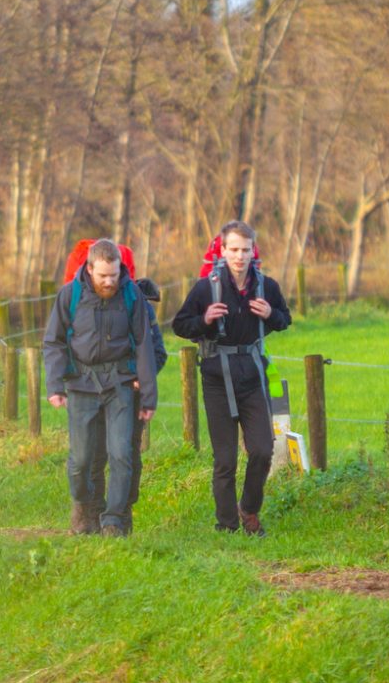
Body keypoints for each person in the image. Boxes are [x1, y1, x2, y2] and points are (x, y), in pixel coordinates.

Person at [169, 220, 293, 534]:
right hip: (216, 378)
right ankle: (227, 524)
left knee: (263, 450)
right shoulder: (205, 287)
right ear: (222, 251)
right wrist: (204, 319)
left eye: (245, 250)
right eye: (233, 249)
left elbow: (285, 319)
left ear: (254, 252)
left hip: (252, 375)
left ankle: (249, 510)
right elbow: (180, 325)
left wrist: (271, 315)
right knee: (225, 459)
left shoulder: (266, 286)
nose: (239, 256)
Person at [42, 239, 158, 536]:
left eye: (114, 275)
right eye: (103, 275)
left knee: (121, 454)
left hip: (119, 382)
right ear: (90, 269)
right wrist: (55, 385)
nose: (110, 282)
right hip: (81, 384)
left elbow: (145, 345)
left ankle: (114, 520)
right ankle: (84, 506)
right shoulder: (70, 295)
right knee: (81, 459)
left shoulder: (132, 296)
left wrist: (147, 396)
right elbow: (53, 341)